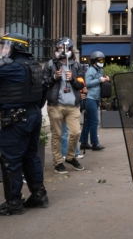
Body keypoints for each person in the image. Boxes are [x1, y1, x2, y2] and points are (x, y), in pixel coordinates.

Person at [0, 33, 48, 216]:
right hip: (33, 115)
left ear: (16, 47)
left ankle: (13, 203)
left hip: (15, 120)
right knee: (30, 156)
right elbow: (43, 90)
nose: (4, 50)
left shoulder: (11, 67)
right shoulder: (33, 65)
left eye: (6, 46)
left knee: (10, 161)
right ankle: (39, 194)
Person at [43, 37, 85, 174]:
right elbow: (44, 83)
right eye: (60, 48)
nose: (62, 51)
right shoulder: (50, 64)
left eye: (65, 48)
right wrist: (55, 77)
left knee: (75, 132)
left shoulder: (76, 65)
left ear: (70, 50)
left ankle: (71, 157)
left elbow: (81, 85)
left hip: (72, 105)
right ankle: (58, 162)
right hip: (56, 105)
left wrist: (72, 79)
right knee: (57, 135)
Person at [80, 51, 107, 151]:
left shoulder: (100, 70)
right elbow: (87, 83)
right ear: (94, 61)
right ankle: (95, 143)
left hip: (95, 98)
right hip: (90, 98)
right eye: (100, 60)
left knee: (88, 121)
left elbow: (99, 83)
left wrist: (104, 79)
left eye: (102, 60)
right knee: (95, 121)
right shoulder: (90, 70)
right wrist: (100, 80)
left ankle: (84, 142)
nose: (101, 62)